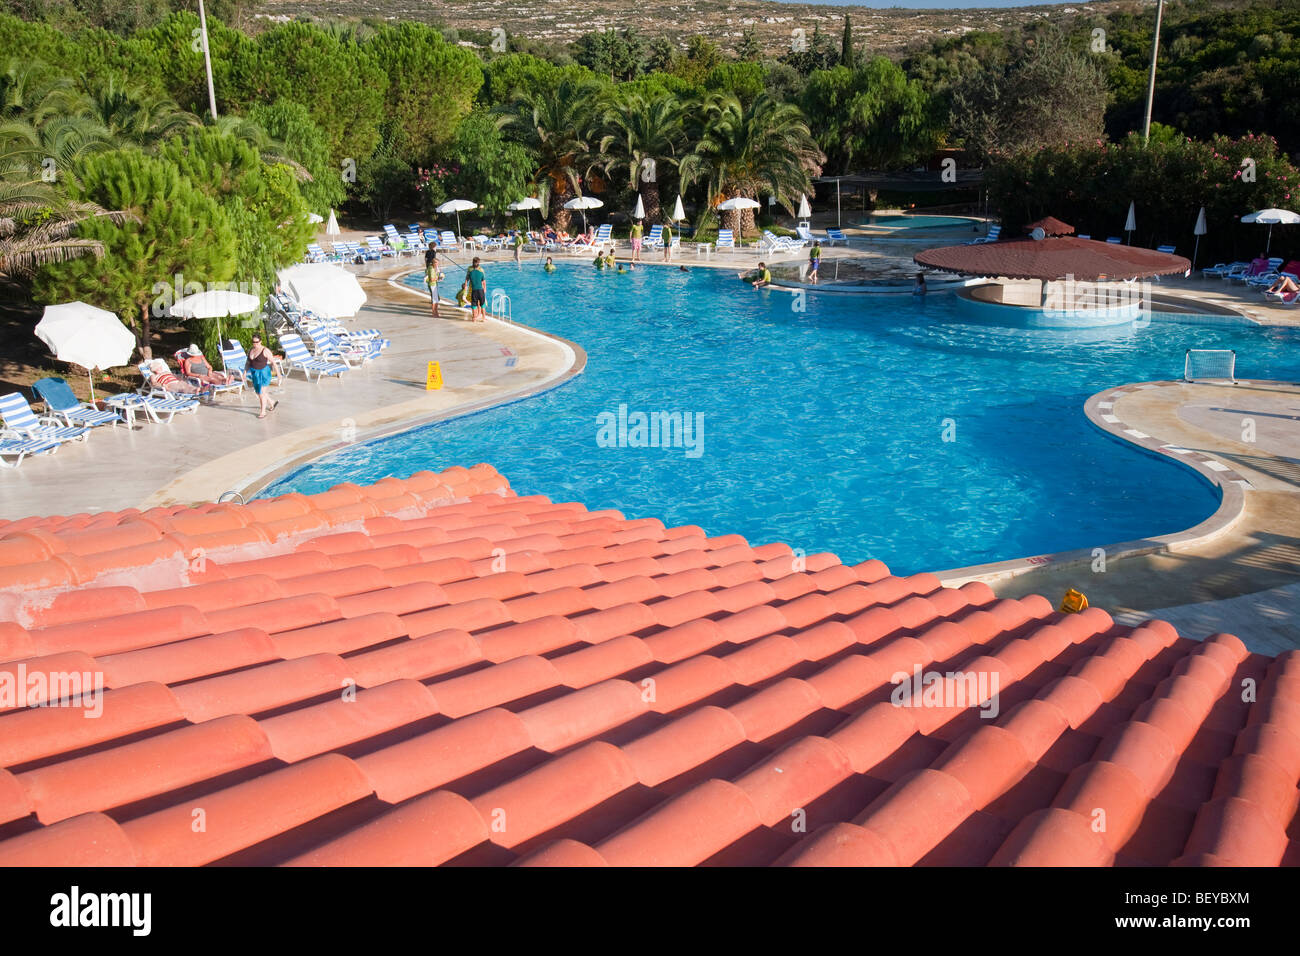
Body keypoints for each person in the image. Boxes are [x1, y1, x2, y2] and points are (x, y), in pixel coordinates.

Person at [246, 335, 282, 419]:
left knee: (261, 392)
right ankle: (271, 402)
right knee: (259, 392)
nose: (255, 344)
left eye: (256, 342)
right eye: (253, 342)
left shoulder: (265, 351)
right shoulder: (251, 350)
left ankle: (263, 412)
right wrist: (244, 373)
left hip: (264, 373)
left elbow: (273, 362)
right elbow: (247, 363)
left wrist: (278, 374)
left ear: (260, 341)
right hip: (255, 373)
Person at [466, 257, 487, 321]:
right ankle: (481, 317)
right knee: (481, 303)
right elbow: (483, 281)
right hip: (478, 289)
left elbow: (467, 277)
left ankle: (476, 316)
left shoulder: (471, 271)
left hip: (474, 289)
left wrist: (465, 285)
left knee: (475, 303)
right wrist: (485, 288)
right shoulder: (480, 271)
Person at [424, 247, 441, 318]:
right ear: (434, 263)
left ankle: (436, 312)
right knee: (435, 300)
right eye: (437, 264)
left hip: (433, 284)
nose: (438, 265)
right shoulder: (431, 269)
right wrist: (438, 278)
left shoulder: (432, 268)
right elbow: (431, 279)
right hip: (432, 285)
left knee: (436, 299)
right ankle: (434, 313)